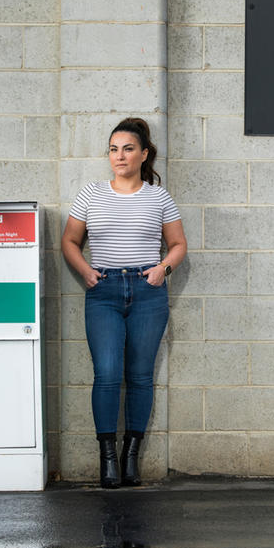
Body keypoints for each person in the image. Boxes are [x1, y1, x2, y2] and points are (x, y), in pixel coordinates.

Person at [61, 118, 187, 488]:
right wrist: (85, 271)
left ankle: (131, 458)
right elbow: (69, 241)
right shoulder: (91, 194)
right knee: (108, 373)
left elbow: (178, 245)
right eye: (114, 149)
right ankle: (108, 459)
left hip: (147, 291)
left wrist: (162, 269)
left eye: (128, 148)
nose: (120, 156)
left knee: (140, 376)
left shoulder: (158, 197)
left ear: (143, 154)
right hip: (104, 291)